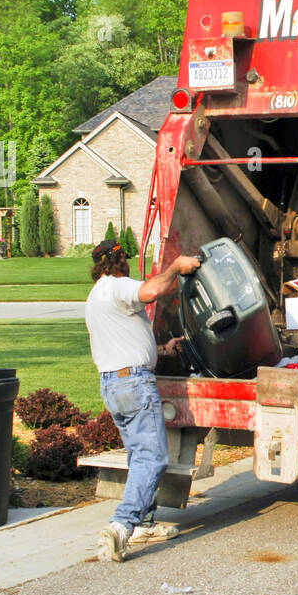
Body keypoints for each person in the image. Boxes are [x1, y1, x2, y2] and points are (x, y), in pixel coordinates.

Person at [84, 239, 200, 563]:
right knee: (153, 458)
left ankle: (144, 523)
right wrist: (176, 268)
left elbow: (122, 339)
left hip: (113, 383)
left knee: (138, 456)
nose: (128, 264)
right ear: (116, 262)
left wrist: (162, 350)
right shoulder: (116, 286)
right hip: (133, 383)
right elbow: (151, 291)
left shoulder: (96, 297)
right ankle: (122, 525)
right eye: (124, 259)